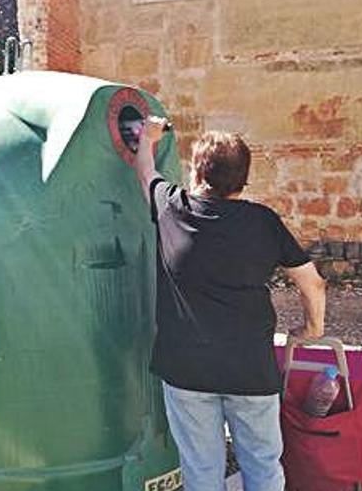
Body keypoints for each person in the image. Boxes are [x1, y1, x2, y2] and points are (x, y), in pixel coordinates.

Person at [132, 118, 326, 491]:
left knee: (201, 472)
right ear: (243, 178)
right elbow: (311, 281)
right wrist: (313, 328)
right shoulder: (263, 222)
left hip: (187, 370)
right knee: (264, 467)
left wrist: (148, 138)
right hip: (250, 370)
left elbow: (145, 173)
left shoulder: (173, 207)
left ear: (198, 171)